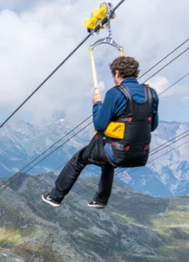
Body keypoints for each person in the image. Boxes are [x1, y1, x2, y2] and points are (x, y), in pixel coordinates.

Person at [42, 56, 159, 209]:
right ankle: (101, 200)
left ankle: (55, 196)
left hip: (117, 153)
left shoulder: (115, 93)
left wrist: (97, 104)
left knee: (79, 159)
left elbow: (100, 124)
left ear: (117, 73)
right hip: (140, 155)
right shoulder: (151, 93)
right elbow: (152, 126)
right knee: (107, 156)